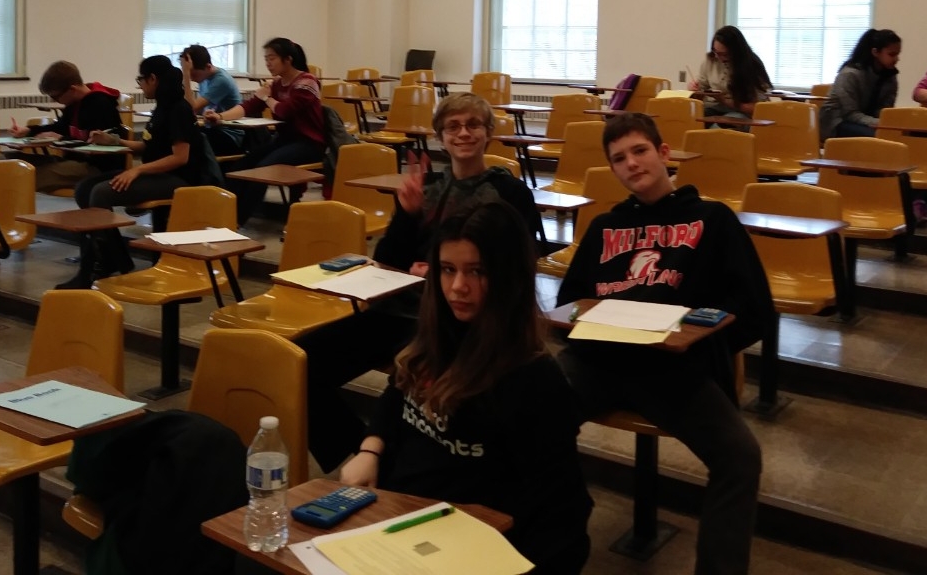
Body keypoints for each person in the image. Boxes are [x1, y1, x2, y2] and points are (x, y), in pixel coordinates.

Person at [556, 112, 771, 575]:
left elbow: (754, 306)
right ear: (612, 170)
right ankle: (556, 543)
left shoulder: (712, 219)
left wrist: (699, 339)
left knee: (740, 456)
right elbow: (569, 300)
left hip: (673, 370)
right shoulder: (602, 227)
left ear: (664, 153)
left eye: (640, 151)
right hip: (599, 361)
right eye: (619, 158)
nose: (632, 164)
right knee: (527, 417)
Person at [293, 92, 542, 473]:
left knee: (418, 373)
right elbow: (389, 261)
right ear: (441, 135)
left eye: (473, 125)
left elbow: (519, 264)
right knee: (301, 361)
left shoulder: (509, 192)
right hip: (403, 309)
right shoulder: (426, 188)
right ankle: (357, 454)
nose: (463, 133)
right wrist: (407, 215)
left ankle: (383, 459)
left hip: (463, 319)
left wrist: (445, 271)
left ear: (488, 133)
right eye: (453, 126)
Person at [341, 201, 593, 574]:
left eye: (477, 271)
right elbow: (397, 395)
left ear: (508, 277)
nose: (458, 287)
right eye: (447, 269)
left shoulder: (534, 380)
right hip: (396, 520)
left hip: (462, 546)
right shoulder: (436, 335)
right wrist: (370, 449)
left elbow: (562, 514)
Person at [55, 55, 217, 289]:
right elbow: (148, 147)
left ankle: (95, 267)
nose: (139, 84)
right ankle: (115, 257)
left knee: (100, 193)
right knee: (84, 189)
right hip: (158, 173)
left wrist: (137, 171)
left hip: (180, 179)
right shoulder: (161, 106)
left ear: (153, 78)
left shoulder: (178, 108)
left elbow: (180, 157)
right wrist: (113, 141)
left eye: (141, 79)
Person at [215, 37, 325, 224]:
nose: (268, 63)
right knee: (241, 166)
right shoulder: (275, 84)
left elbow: (285, 111)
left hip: (309, 143)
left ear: (288, 59)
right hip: (284, 141)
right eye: (266, 58)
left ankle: (236, 223)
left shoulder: (307, 82)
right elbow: (248, 106)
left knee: (262, 169)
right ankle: (223, 216)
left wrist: (267, 99)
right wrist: (220, 117)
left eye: (272, 58)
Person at [7, 60, 125, 192]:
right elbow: (59, 128)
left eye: (56, 97)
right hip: (73, 162)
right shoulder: (73, 104)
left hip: (97, 167)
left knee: (22, 173)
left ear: (72, 89)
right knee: (7, 161)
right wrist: (29, 131)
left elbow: (98, 145)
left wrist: (61, 139)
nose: (54, 101)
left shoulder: (101, 104)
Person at [820, 28, 902, 140]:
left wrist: (889, 123)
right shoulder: (850, 74)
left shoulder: (890, 77)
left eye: (897, 54)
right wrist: (880, 123)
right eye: (892, 54)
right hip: (836, 123)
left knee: (899, 135)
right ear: (875, 52)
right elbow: (850, 114)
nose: (897, 59)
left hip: (864, 121)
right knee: (881, 137)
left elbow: (884, 110)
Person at [689, 26, 772, 128]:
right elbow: (700, 92)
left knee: (720, 127)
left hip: (740, 111)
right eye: (716, 52)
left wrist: (724, 100)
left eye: (724, 54)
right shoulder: (711, 60)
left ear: (736, 51)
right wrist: (694, 90)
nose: (719, 58)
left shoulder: (751, 65)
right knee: (689, 120)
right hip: (713, 107)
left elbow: (759, 107)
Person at [179, 44, 248, 156]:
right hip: (213, 129)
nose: (192, 78)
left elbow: (192, 107)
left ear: (208, 66)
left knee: (187, 143)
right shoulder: (204, 78)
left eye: (194, 74)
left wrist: (185, 75)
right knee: (177, 138)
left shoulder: (221, 80)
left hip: (230, 135)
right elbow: (194, 111)